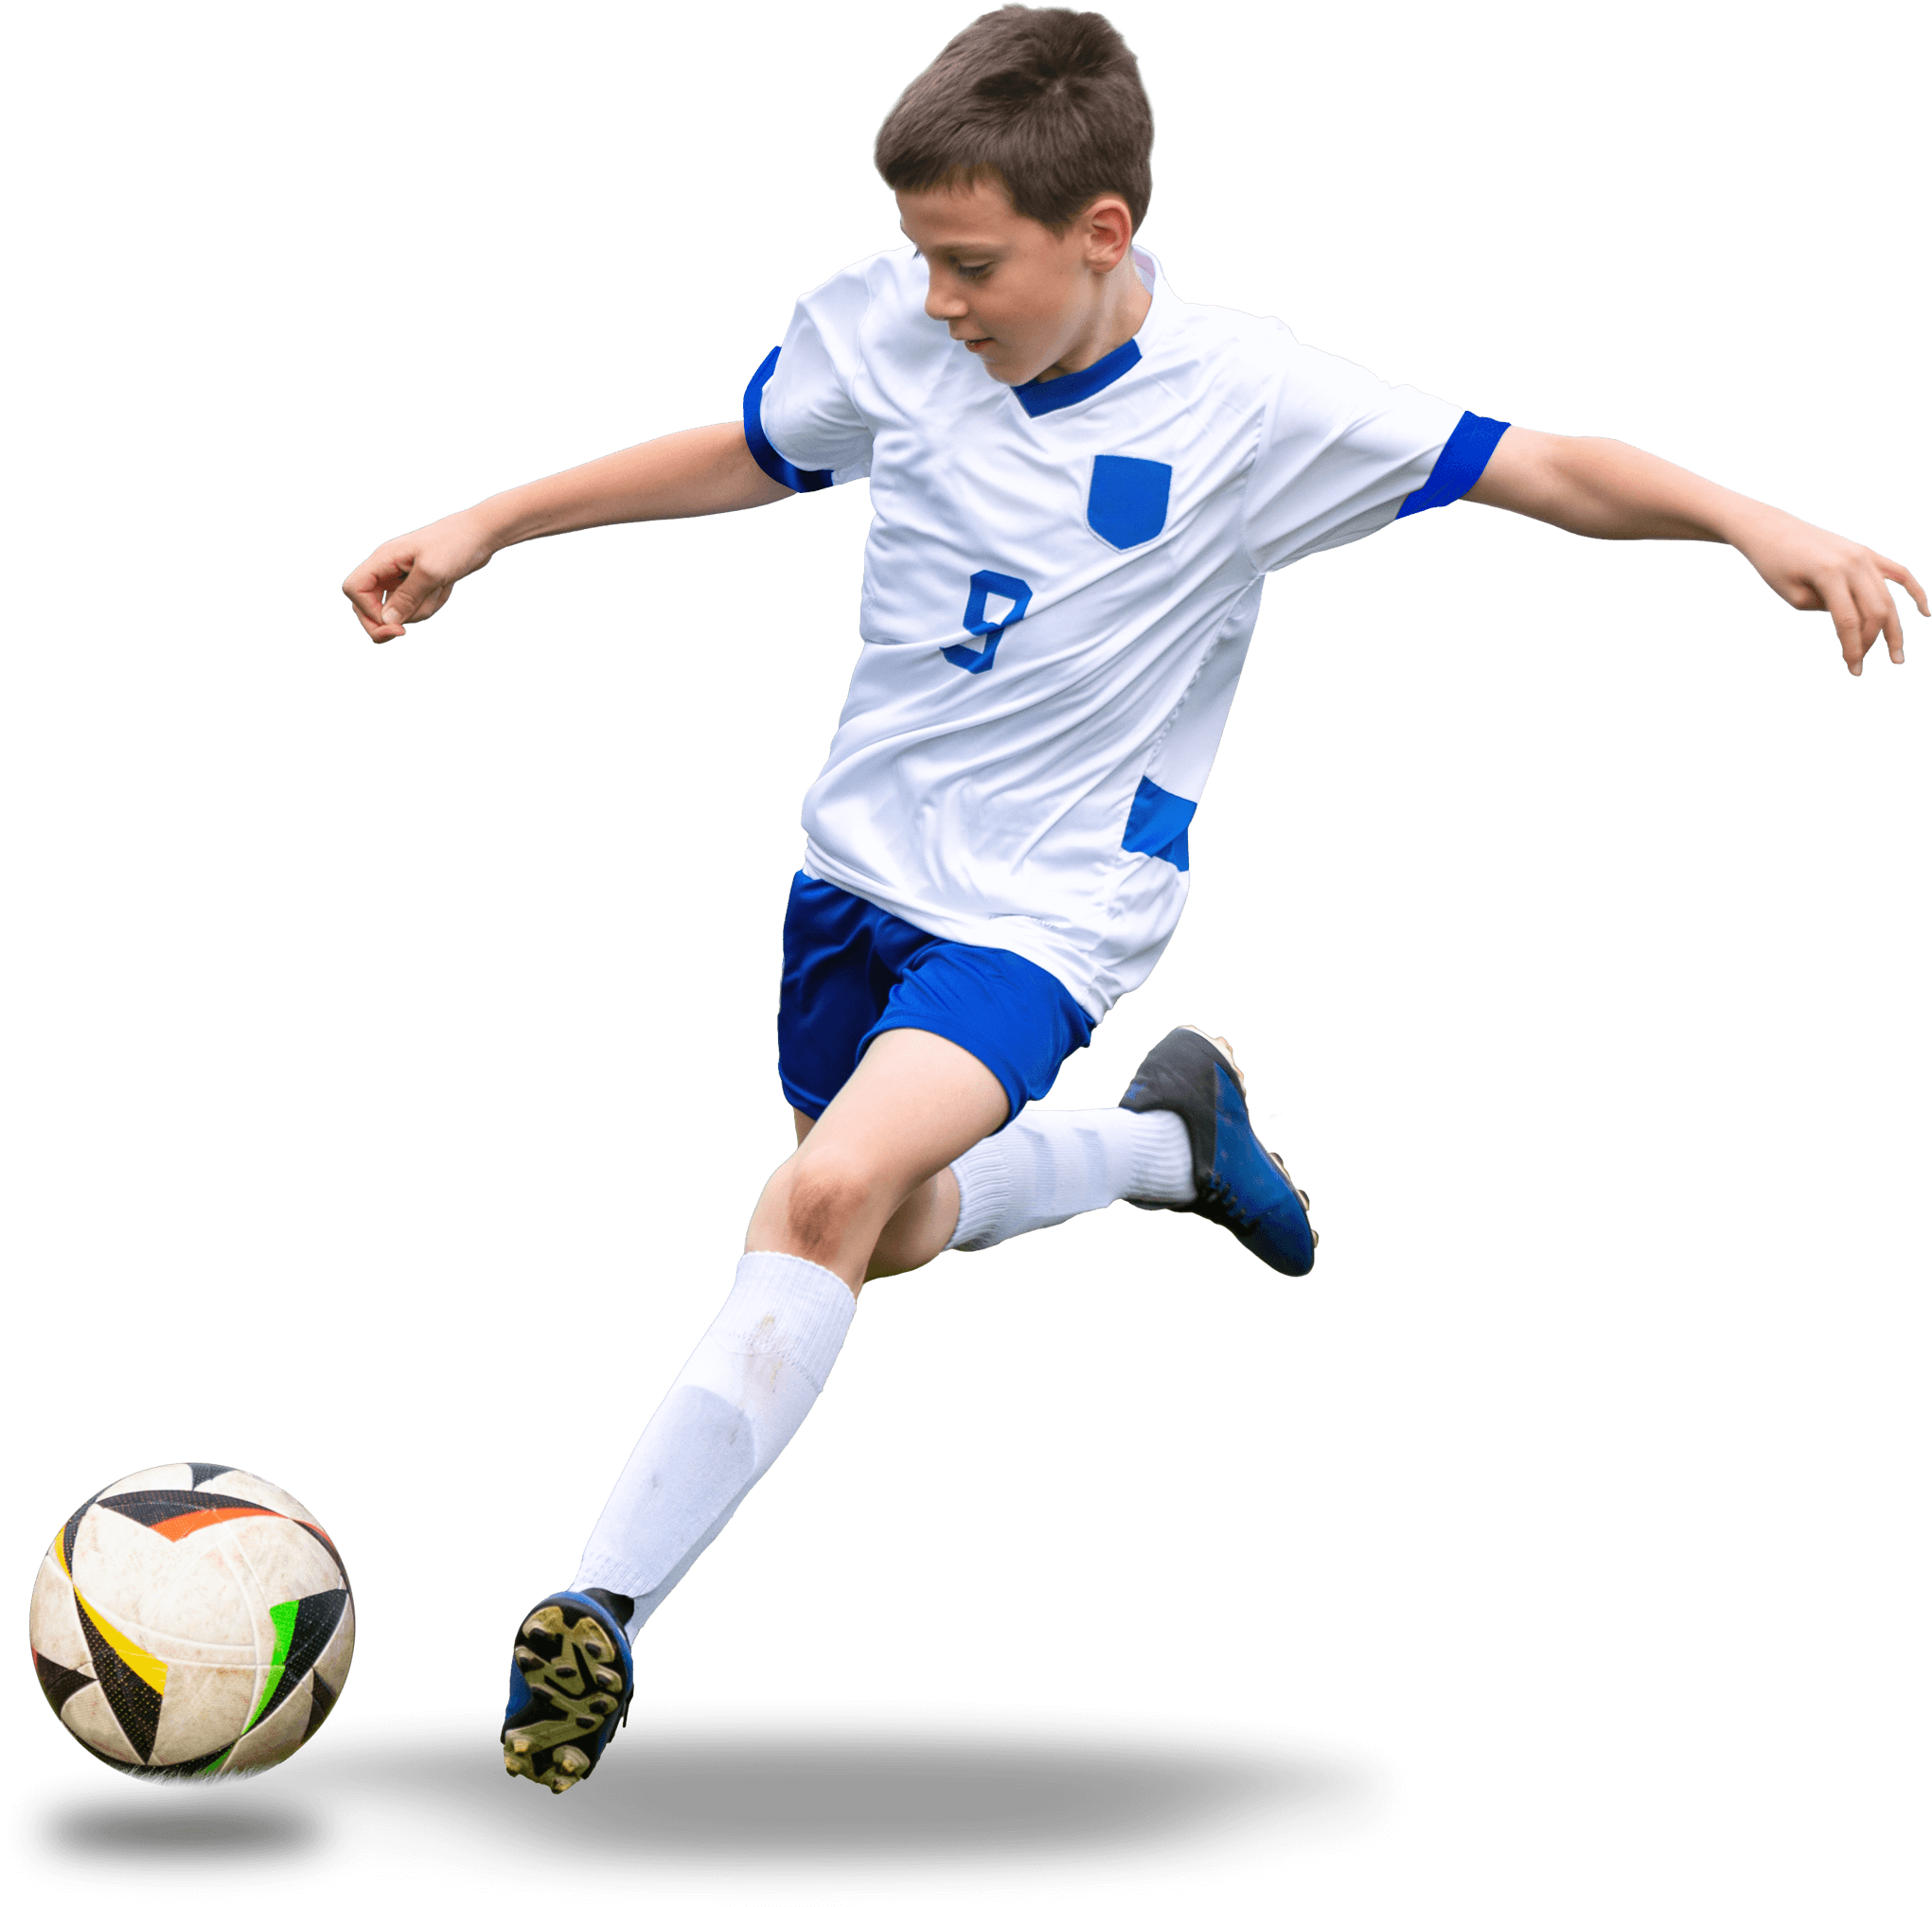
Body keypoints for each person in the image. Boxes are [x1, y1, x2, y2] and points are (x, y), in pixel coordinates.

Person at [340, 7, 1923, 1796]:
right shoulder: (893, 322)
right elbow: (752, 452)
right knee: (892, 1232)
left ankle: (599, 1607)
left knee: (823, 1195)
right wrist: (488, 522)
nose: (938, 298)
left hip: (1050, 910)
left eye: (973, 264)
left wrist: (1759, 525)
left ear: (1102, 233)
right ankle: (1173, 1144)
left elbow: (1543, 467)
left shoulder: (1253, 401)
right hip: (851, 875)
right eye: (921, 255)